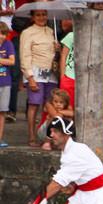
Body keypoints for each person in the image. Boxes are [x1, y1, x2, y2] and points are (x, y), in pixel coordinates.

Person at [34, 118, 103, 204]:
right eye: (51, 132)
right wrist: (75, 187)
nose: (51, 135)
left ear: (66, 133)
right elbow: (83, 175)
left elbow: (58, 183)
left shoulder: (77, 152)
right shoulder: (68, 151)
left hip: (100, 198)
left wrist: (37, 201)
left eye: (55, 131)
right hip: (81, 195)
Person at [19, 8, 57, 147]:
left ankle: (47, 136)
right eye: (38, 15)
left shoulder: (50, 31)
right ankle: (31, 136)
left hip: (51, 72)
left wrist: (56, 47)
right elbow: (24, 55)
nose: (42, 17)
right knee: (34, 104)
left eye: (44, 14)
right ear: (33, 17)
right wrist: (29, 77)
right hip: (35, 71)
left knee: (50, 105)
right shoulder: (27, 32)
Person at [0, 22, 13, 147]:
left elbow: (12, 61)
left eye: (3, 34)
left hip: (5, 82)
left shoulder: (8, 44)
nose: (1, 36)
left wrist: (1, 61)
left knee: (2, 111)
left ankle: (0, 137)